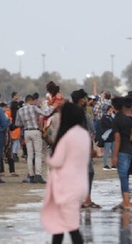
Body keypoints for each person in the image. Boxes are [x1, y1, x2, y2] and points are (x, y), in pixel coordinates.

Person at [41, 102, 90, 244]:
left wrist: (47, 158)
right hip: (80, 184)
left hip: (66, 187)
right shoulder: (84, 134)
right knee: (61, 224)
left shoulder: (67, 137)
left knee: (71, 226)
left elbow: (57, 161)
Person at [14, 95, 50, 184]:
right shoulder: (34, 108)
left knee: (30, 155)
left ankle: (31, 175)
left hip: (26, 132)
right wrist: (52, 107)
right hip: (35, 131)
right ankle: (38, 175)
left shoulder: (20, 110)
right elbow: (45, 114)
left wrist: (25, 123)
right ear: (31, 100)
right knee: (38, 154)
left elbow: (17, 123)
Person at [112, 97, 132, 211]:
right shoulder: (127, 119)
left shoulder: (116, 120)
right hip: (129, 150)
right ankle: (126, 201)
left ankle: (126, 203)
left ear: (114, 107)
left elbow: (117, 138)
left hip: (122, 151)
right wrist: (128, 140)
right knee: (125, 176)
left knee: (123, 177)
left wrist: (114, 155)